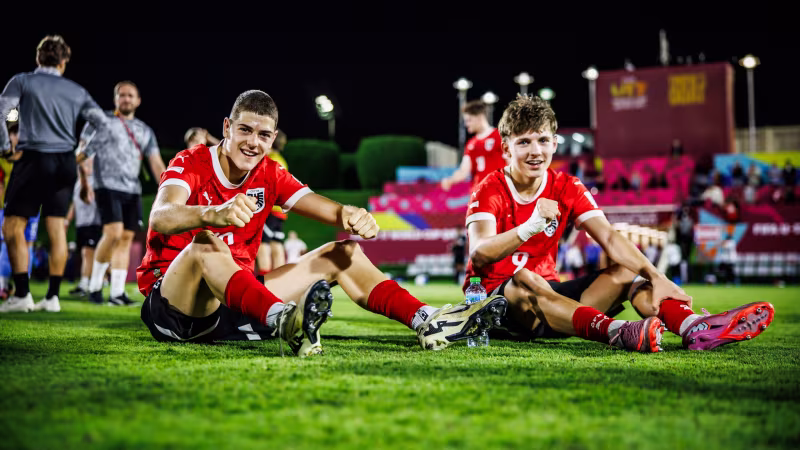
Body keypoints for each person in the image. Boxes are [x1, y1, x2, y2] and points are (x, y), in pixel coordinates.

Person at [136, 90, 507, 356]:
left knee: (343, 252)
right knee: (206, 241)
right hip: (176, 304)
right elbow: (161, 215)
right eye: (245, 130)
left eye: (264, 135)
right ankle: (284, 319)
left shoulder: (269, 172)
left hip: (239, 301)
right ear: (227, 127)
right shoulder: (192, 162)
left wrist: (351, 214)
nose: (253, 142)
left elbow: (325, 209)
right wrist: (211, 213)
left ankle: (427, 319)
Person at [464, 95, 773, 352]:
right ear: (506, 148)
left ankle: (693, 327)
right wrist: (530, 226)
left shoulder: (566, 186)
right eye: (524, 142)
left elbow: (610, 238)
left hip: (554, 304)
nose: (536, 151)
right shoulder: (489, 188)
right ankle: (617, 331)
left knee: (629, 271)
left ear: (555, 144)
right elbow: (479, 253)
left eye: (543, 140)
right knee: (526, 280)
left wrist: (656, 275)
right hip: (497, 305)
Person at [0, 35, 109, 314]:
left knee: (12, 225)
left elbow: (3, 111)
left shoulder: (22, 80)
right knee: (56, 227)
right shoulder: (76, 90)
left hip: (32, 157)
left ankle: (22, 295)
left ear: (38, 58)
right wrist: (82, 154)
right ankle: (52, 298)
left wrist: (4, 147)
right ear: (63, 62)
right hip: (64, 162)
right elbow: (103, 125)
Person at [77, 81, 166, 306]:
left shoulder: (145, 130)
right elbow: (82, 151)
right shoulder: (102, 121)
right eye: (121, 95)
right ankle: (95, 286)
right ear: (115, 99)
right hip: (106, 185)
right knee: (113, 233)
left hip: (132, 190)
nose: (126, 99)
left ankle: (117, 292)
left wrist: (168, 189)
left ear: (138, 101)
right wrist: (84, 182)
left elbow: (155, 163)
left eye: (130, 95)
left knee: (126, 238)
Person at [440, 100, 507, 193]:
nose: (466, 124)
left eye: (469, 120)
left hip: (499, 193)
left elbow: (512, 162)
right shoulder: (471, 144)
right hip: (479, 194)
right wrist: (450, 180)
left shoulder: (499, 136)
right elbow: (464, 171)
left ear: (480, 117)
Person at [65, 157, 102, 297]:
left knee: (88, 253)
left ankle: (87, 284)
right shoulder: (78, 182)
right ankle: (87, 282)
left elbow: (88, 198)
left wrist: (83, 178)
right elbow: (75, 203)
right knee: (85, 253)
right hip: (82, 223)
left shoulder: (94, 181)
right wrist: (67, 220)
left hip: (93, 222)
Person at [256, 129, 289, 282]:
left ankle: (265, 281)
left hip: (269, 210)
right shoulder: (282, 161)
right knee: (277, 244)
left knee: (263, 244)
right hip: (280, 212)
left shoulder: (269, 161)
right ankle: (281, 280)